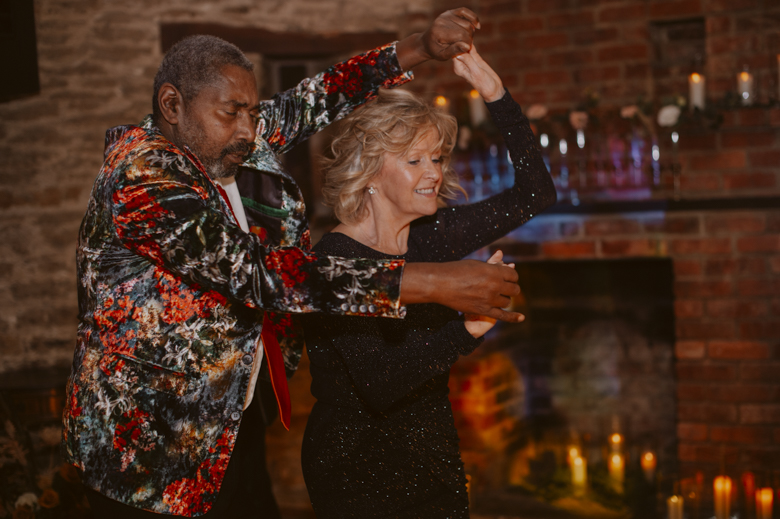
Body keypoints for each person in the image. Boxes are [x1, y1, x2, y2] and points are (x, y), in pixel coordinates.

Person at [61, 8, 526, 518]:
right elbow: (256, 273)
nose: (248, 130)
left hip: (226, 422)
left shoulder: (228, 138)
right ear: (173, 105)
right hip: (149, 448)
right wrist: (433, 282)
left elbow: (318, 97)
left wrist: (419, 46)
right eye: (232, 113)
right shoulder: (140, 179)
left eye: (252, 113)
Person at [299, 45, 557, 518]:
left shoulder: (430, 236)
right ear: (370, 171)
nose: (435, 174)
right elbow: (380, 382)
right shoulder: (335, 260)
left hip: (433, 456)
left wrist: (496, 95)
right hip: (358, 470)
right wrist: (466, 330)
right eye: (415, 161)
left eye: (437, 159)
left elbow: (536, 193)